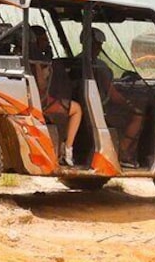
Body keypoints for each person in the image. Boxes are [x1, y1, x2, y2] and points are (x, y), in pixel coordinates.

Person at [81, 27, 145, 168]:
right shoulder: (99, 66)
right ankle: (123, 153)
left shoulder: (77, 62)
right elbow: (114, 96)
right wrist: (129, 104)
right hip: (101, 111)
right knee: (137, 115)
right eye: (98, 45)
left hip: (85, 109)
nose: (99, 48)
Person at [29, 25, 82, 167]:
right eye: (44, 40)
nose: (47, 43)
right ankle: (68, 151)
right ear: (36, 41)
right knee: (76, 109)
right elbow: (40, 85)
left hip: (32, 100)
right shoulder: (35, 60)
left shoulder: (20, 54)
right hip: (41, 102)